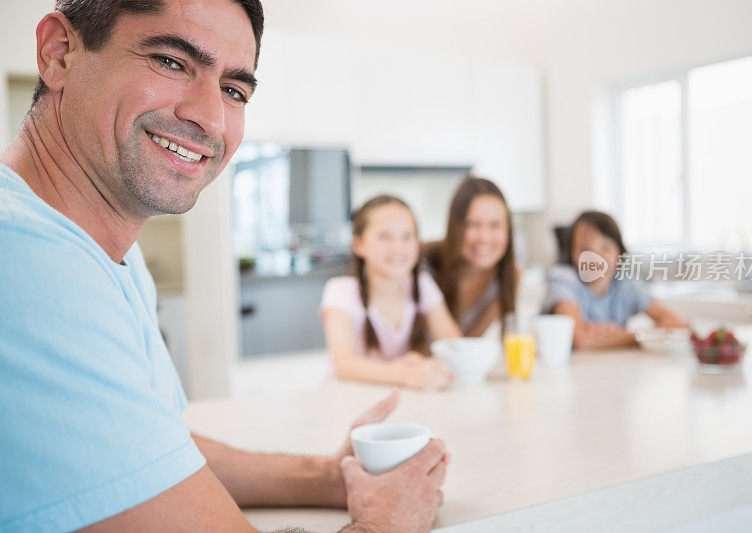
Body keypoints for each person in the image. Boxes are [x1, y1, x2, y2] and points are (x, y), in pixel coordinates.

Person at [0, 1, 447, 531]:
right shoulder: (25, 258)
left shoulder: (98, 250)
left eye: (234, 91)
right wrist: (384, 523)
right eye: (171, 61)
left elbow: (150, 445)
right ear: (58, 53)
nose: (210, 118)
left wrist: (325, 476)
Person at [321, 195, 462, 391]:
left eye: (407, 236)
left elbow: (454, 345)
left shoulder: (423, 284)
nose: (397, 248)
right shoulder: (340, 291)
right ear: (359, 244)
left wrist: (422, 362)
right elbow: (344, 365)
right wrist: (406, 374)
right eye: (384, 237)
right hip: (350, 400)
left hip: (405, 401)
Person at [542, 210, 689, 350]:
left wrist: (613, 337)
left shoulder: (626, 284)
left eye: (605, 248)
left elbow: (680, 325)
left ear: (620, 253)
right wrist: (644, 336)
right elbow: (580, 340)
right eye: (584, 249)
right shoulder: (563, 279)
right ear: (570, 254)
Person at [423, 176, 518, 337]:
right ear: (454, 227)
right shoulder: (424, 266)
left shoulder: (508, 274)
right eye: (472, 224)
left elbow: (467, 345)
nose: (484, 237)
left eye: (495, 225)